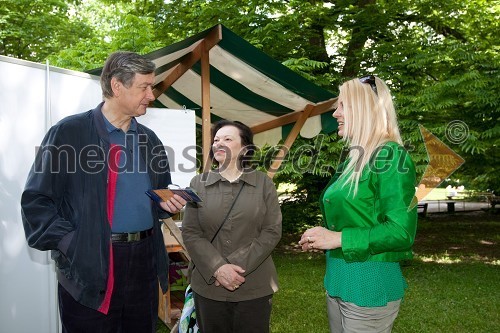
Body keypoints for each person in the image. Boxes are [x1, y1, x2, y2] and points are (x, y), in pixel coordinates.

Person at [21, 51, 187, 333]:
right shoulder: (68, 134)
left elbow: (156, 194)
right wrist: (73, 244)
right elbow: (37, 202)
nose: (151, 95)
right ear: (117, 86)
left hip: (143, 261)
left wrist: (168, 203)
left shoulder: (150, 140)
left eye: (152, 87)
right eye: (144, 87)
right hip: (92, 264)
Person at [299, 75, 417, 333]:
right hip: (340, 280)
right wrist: (323, 235)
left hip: (369, 286)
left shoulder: (390, 156)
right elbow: (356, 216)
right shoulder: (354, 158)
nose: (335, 113)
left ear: (364, 109)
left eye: (342, 105)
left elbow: (401, 232)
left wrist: (338, 238)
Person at [181, 120, 282, 333]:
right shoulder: (197, 184)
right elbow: (191, 232)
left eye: (228, 139)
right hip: (209, 287)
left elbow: (272, 231)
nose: (219, 143)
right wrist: (217, 267)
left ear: (245, 148)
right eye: (216, 140)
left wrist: (233, 266)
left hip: (253, 286)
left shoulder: (264, 184)